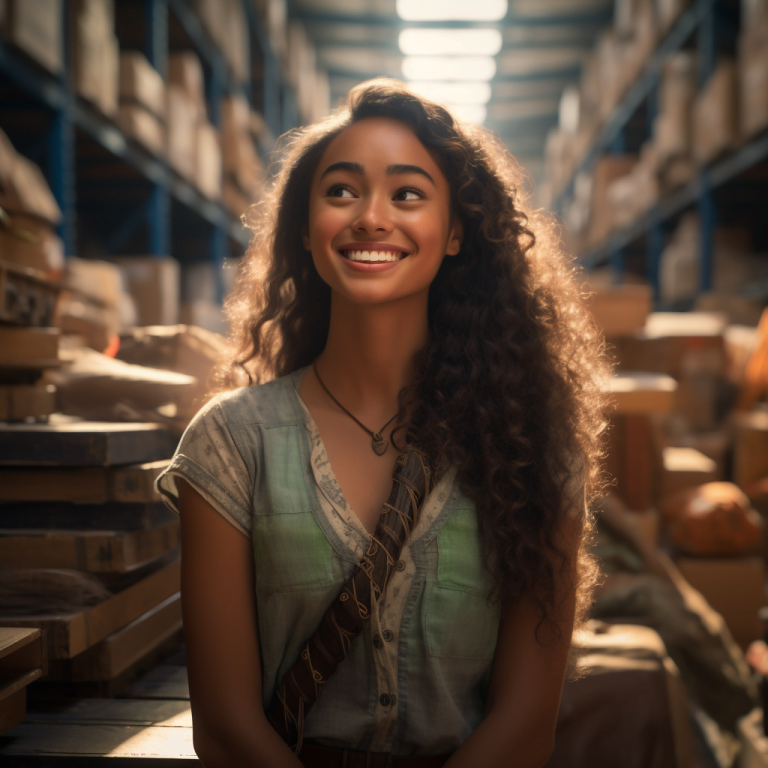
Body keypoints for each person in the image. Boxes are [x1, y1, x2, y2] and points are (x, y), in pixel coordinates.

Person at [156, 78, 608, 768]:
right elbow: (223, 730)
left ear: (455, 231)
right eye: (341, 191)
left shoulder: (532, 449)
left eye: (407, 194)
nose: (371, 217)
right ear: (307, 231)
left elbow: (524, 727)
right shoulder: (229, 444)